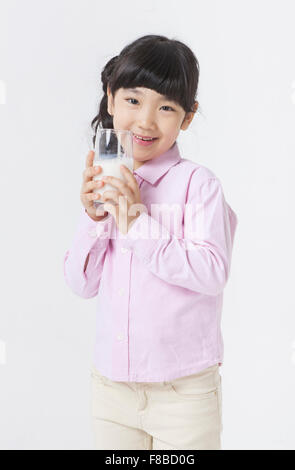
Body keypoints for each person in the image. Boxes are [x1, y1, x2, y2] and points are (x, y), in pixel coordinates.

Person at [63, 34, 238, 450]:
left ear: (187, 117)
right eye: (133, 100)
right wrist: (94, 219)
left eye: (165, 108)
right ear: (111, 98)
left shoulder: (198, 185)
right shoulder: (107, 182)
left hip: (183, 393)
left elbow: (213, 272)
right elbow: (80, 284)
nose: (145, 121)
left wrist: (136, 220)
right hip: (112, 388)